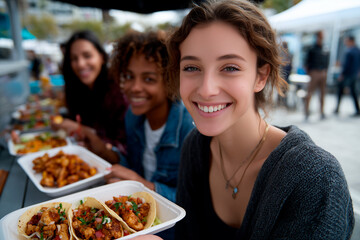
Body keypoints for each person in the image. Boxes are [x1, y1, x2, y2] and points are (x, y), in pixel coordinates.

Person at [165, 0, 354, 239]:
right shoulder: (195, 146)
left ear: (261, 77)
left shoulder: (314, 177)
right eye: (191, 67)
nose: (206, 89)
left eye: (230, 67)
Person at [52, 30, 128, 162]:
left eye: (87, 56)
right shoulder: (78, 90)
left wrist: (81, 129)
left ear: (102, 57)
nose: (80, 64)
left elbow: (123, 147)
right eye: (74, 59)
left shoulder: (119, 92)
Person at [304, 31, 329, 120]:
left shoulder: (325, 48)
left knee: (322, 93)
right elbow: (306, 62)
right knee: (310, 92)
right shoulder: (312, 48)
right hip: (314, 72)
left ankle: (321, 112)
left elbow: (327, 61)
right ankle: (306, 111)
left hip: (323, 72)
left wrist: (325, 71)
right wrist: (310, 72)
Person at [334, 35, 360, 116]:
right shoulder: (357, 50)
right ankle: (357, 110)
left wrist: (342, 74)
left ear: (351, 41)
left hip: (347, 75)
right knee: (353, 92)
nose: (345, 43)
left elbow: (346, 65)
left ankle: (337, 108)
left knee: (340, 90)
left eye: (346, 41)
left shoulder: (349, 52)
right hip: (354, 74)